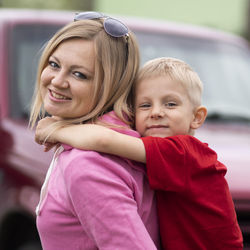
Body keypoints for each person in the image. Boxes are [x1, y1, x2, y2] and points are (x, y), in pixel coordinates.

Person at [36, 57, 243, 250]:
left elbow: (104, 140)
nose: (156, 112)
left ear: (197, 117)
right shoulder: (160, 153)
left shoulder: (184, 151)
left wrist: (56, 130)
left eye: (170, 104)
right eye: (145, 105)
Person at [29, 11, 161, 250]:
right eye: (54, 64)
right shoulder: (104, 142)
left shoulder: (89, 166)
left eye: (79, 74)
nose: (57, 81)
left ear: (111, 86)